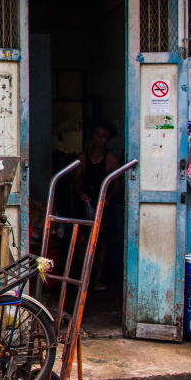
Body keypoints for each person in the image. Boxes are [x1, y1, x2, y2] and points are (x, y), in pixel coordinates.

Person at [74, 120, 121, 290]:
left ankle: (97, 279)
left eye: (104, 136)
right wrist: (80, 194)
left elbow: (117, 184)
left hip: (103, 205)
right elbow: (77, 179)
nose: (100, 139)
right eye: (97, 135)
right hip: (86, 202)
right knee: (81, 241)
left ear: (107, 139)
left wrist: (108, 199)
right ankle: (83, 278)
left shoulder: (111, 158)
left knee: (102, 244)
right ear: (92, 136)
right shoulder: (83, 157)